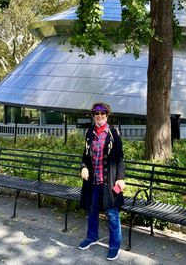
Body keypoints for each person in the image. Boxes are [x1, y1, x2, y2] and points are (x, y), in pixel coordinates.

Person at [78, 102, 125, 261]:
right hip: (93, 181)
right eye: (96, 114)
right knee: (92, 210)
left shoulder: (113, 133)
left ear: (107, 115)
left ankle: (114, 246)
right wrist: (83, 167)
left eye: (102, 113)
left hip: (108, 181)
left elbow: (119, 159)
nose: (99, 116)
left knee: (112, 214)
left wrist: (120, 178)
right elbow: (85, 156)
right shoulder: (90, 133)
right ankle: (92, 237)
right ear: (93, 115)